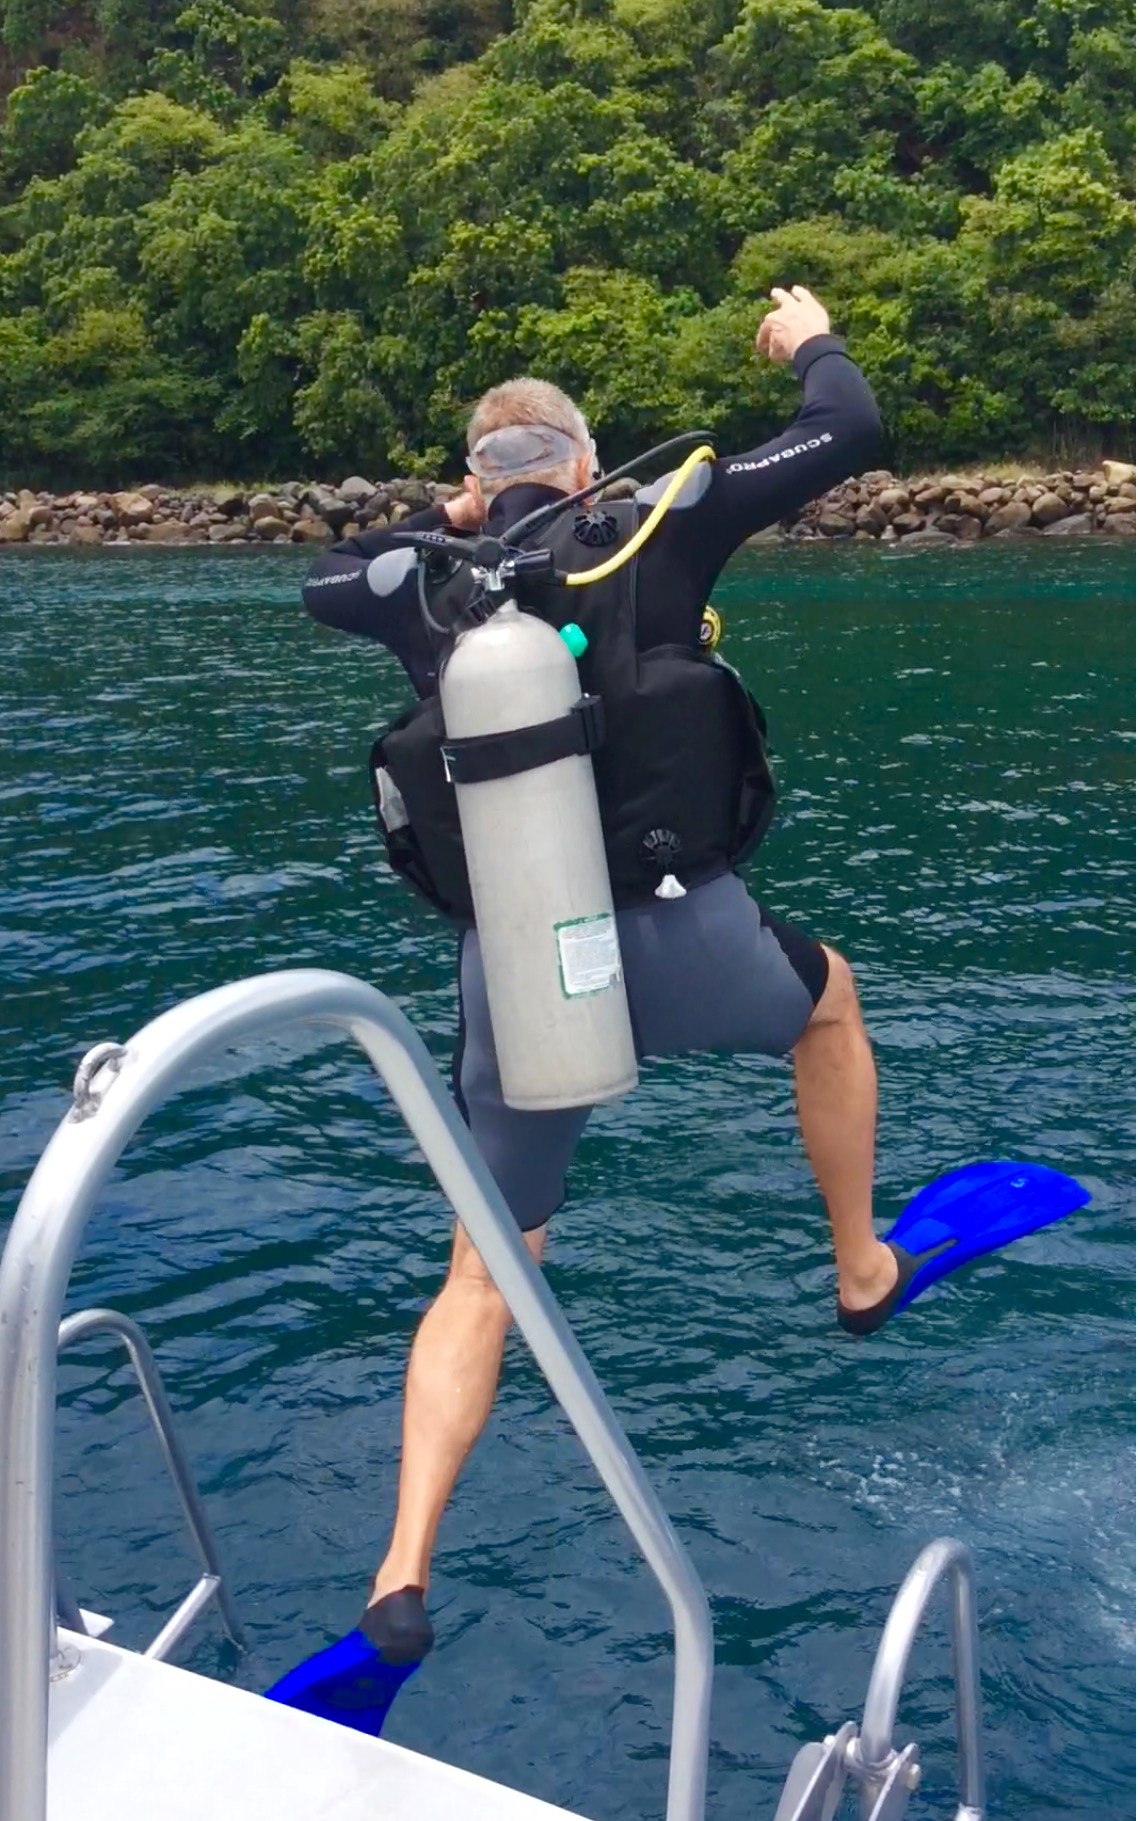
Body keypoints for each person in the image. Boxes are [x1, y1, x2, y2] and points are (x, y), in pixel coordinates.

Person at [303, 285, 899, 1665]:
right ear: (584, 466)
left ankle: (398, 1570)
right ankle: (860, 1266)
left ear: (476, 480)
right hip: (692, 937)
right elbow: (848, 423)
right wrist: (803, 335)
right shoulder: (657, 518)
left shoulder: (433, 586)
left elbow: (328, 575)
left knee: (484, 1264)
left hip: (523, 978)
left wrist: (440, 529)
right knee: (829, 1003)